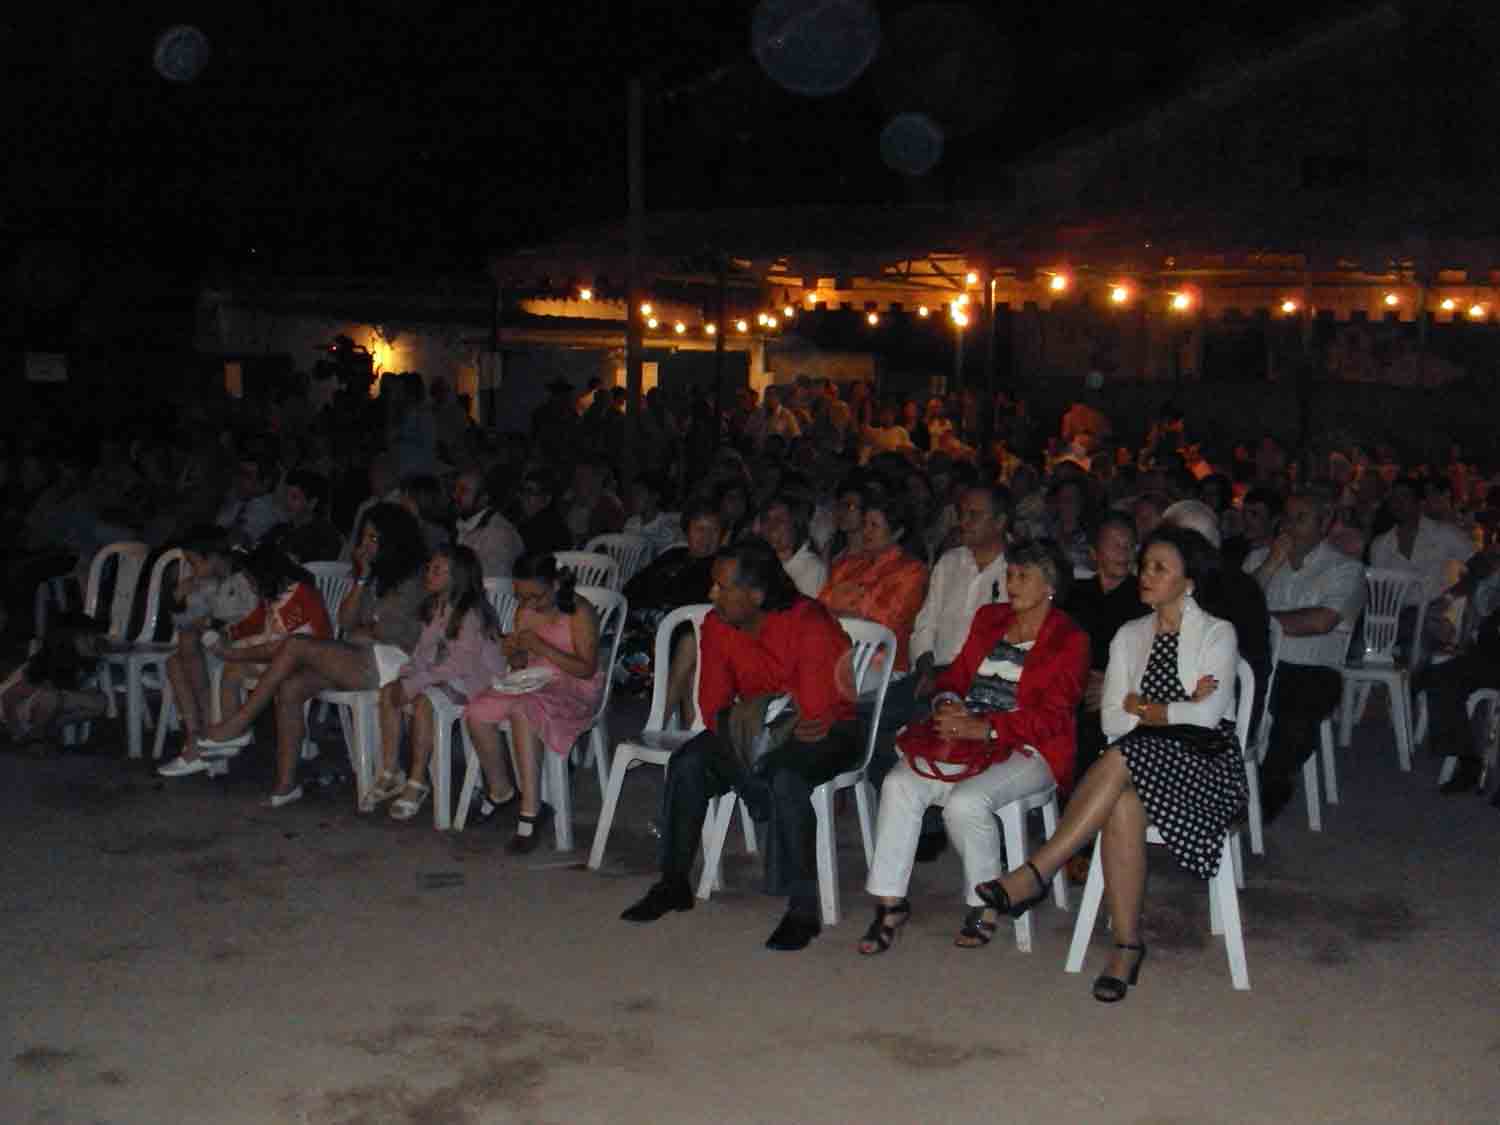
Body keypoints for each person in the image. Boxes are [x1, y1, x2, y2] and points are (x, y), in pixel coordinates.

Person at [974, 525, 1245, 1001]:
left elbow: (1206, 720)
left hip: (1203, 767)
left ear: (1189, 582)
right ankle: (1126, 946)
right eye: (1145, 566)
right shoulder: (1130, 634)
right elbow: (1115, 720)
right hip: (1138, 758)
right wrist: (1165, 708)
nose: (1146, 574)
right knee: (1122, 799)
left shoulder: (1218, 632)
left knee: (1126, 754)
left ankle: (1039, 871)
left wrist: (1150, 708)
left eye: (1161, 568)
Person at [620, 537, 858, 951]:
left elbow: (816, 712)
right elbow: (711, 708)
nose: (711, 594)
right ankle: (674, 882)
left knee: (786, 776)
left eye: (721, 586)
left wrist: (758, 724)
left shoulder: (808, 623)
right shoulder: (717, 624)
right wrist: (753, 745)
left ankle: (804, 909)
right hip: (757, 728)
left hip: (830, 728)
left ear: (757, 594)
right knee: (688, 762)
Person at [859, 538, 1088, 953]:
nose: (1011, 583)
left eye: (1023, 576)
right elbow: (956, 677)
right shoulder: (990, 618)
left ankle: (984, 904)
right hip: (966, 738)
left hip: (1029, 746)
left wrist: (985, 728)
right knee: (899, 784)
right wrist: (947, 704)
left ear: (1049, 586)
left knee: (966, 803)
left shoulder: (1069, 638)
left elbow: (1054, 715)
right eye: (1010, 574)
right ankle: (890, 903)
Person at [196, 502, 429, 807]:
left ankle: (239, 723)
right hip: (362, 656)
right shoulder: (375, 577)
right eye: (364, 538)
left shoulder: (414, 580)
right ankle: (285, 785)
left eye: (374, 539)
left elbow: (388, 632)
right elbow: (347, 623)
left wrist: (366, 629)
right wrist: (361, 579)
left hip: (396, 664)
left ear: (393, 539)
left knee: (296, 644)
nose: (365, 545)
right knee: (290, 687)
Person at [463, 554, 605, 852]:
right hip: (536, 681)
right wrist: (512, 651)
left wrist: (542, 647)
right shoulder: (525, 609)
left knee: (523, 709)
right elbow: (521, 665)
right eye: (521, 596)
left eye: (535, 596)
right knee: (476, 711)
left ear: (554, 585)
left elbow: (587, 668)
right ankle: (501, 790)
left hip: (575, 685)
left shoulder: (579, 611)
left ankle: (531, 811)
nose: (527, 603)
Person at [1244, 484, 1364, 823]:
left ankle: (1269, 788)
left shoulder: (1344, 569)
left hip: (1312, 668)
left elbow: (1322, 620)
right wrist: (1270, 565)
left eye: (1301, 519)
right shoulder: (1260, 559)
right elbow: (1234, 608)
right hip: (1261, 664)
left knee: (1297, 710)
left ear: (1325, 524)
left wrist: (1260, 624)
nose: (1289, 527)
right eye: (1287, 519)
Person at [159, 544, 332, 777]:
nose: (250, 585)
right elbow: (258, 628)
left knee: (233, 665)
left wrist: (231, 649)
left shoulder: (300, 596)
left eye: (252, 580)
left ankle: (228, 733)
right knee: (231, 670)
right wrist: (229, 639)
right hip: (287, 658)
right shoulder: (277, 597)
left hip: (311, 663)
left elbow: (284, 645)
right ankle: (231, 734)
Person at [373, 544, 506, 821]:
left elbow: (462, 665)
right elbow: (424, 652)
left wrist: (417, 683)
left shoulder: (470, 614)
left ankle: (417, 780)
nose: (428, 574)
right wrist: (407, 675)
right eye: (429, 568)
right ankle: (390, 769)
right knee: (389, 691)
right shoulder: (436, 607)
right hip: (449, 677)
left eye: (437, 570)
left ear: (457, 577)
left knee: (424, 700)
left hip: (478, 683)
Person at [1063, 513, 1146, 782]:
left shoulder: (1144, 599)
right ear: (1094, 553)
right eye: (1114, 544)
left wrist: (1113, 686)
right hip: (1072, 687)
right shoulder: (1075, 594)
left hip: (1119, 695)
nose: (1123, 552)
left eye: (1129, 545)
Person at [817, 484, 929, 674]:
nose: (866, 532)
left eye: (874, 526)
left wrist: (845, 601)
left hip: (882, 666)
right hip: (837, 656)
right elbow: (819, 609)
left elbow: (887, 623)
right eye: (865, 524)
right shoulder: (847, 564)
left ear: (897, 532)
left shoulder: (912, 571)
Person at [1370, 476, 1473, 606]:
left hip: (1437, 617)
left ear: (1419, 503)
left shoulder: (1443, 533)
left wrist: (1449, 599)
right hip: (1398, 619)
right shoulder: (1380, 545)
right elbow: (1379, 594)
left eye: (1404, 497)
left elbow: (1481, 565)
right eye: (1394, 498)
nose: (1398, 503)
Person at [453, 466, 524, 578]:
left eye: (463, 490)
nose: (455, 495)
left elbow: (493, 585)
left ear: (483, 499)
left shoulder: (499, 534)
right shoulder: (462, 525)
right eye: (455, 489)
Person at [263, 469, 343, 564]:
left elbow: (319, 570)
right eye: (286, 495)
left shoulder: (326, 537)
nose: (286, 502)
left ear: (312, 503)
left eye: (294, 497)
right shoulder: (280, 528)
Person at [757, 492, 826, 598]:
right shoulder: (762, 562)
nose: (770, 526)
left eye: (779, 520)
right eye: (766, 519)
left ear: (796, 525)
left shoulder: (812, 569)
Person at [515, 468, 572, 557]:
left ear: (547, 499)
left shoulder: (545, 527)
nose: (524, 497)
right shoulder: (529, 522)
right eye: (523, 491)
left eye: (530, 492)